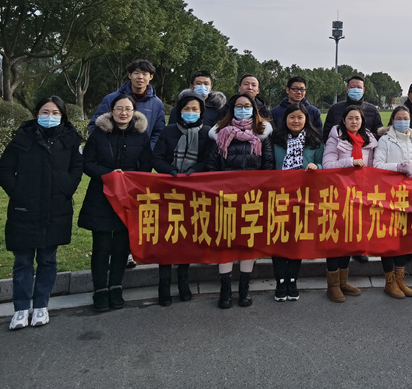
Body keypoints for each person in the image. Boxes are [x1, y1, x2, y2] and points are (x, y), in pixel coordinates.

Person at [0, 96, 84, 330]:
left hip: (56, 208)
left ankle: (41, 306)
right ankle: (21, 309)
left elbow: (77, 168)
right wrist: (18, 192)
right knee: (23, 260)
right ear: (36, 114)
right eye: (45, 112)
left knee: (47, 259)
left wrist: (66, 188)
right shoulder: (22, 138)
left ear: (63, 116)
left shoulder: (71, 140)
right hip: (25, 208)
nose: (50, 117)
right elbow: (3, 170)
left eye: (55, 113)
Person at [79, 94, 152, 312]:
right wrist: (109, 175)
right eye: (119, 108)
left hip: (127, 197)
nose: (123, 112)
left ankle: (116, 287)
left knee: (121, 245)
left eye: (128, 109)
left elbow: (146, 165)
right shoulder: (99, 134)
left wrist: (130, 178)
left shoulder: (141, 135)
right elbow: (87, 163)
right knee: (101, 245)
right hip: (101, 196)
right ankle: (100, 290)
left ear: (134, 112)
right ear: (111, 111)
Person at [206, 92, 274, 309]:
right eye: (238, 106)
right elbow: (211, 167)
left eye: (247, 106)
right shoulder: (220, 134)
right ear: (231, 109)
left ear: (254, 110)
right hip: (225, 198)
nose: (243, 109)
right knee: (225, 243)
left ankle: (244, 289)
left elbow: (268, 166)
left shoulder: (262, 134)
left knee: (248, 243)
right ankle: (225, 290)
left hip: (252, 199)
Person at [151, 93, 215, 306]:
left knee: (187, 237)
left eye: (195, 109)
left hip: (194, 193)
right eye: (186, 109)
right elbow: (156, 158)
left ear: (201, 112)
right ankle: (163, 284)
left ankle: (183, 281)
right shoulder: (168, 131)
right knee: (167, 236)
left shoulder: (207, 133)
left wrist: (193, 171)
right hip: (168, 191)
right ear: (179, 111)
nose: (190, 112)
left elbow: (208, 160)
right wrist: (171, 172)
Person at [322, 105, 378, 302]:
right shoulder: (335, 138)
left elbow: (372, 167)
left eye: (357, 118)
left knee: (349, 238)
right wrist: (350, 162)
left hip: (359, 195)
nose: (354, 122)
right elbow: (327, 165)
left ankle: (343, 281)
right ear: (344, 120)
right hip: (338, 194)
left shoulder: (368, 140)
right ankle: (332, 286)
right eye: (350, 118)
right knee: (335, 239)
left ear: (362, 121)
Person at [270, 104, 323, 301]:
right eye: (292, 117)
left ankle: (292, 279)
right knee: (279, 236)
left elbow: (323, 164)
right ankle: (280, 280)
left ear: (306, 119)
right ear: (285, 119)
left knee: (297, 236)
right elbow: (268, 164)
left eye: (300, 117)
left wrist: (316, 166)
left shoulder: (315, 140)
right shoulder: (275, 139)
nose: (296, 121)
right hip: (279, 194)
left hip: (304, 195)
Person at [373, 106, 412, 299]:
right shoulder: (385, 140)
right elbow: (377, 165)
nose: (403, 121)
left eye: (406, 118)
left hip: (410, 194)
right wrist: (398, 167)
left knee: (404, 236)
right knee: (388, 237)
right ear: (393, 121)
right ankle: (389, 281)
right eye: (399, 118)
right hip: (389, 193)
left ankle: (400, 278)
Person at [88, 59, 166, 149]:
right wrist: (107, 148)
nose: (140, 77)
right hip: (112, 153)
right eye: (136, 73)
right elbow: (95, 125)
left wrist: (148, 150)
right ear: (129, 75)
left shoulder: (157, 104)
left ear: (151, 77)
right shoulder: (110, 99)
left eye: (145, 74)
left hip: (142, 154)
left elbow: (159, 132)